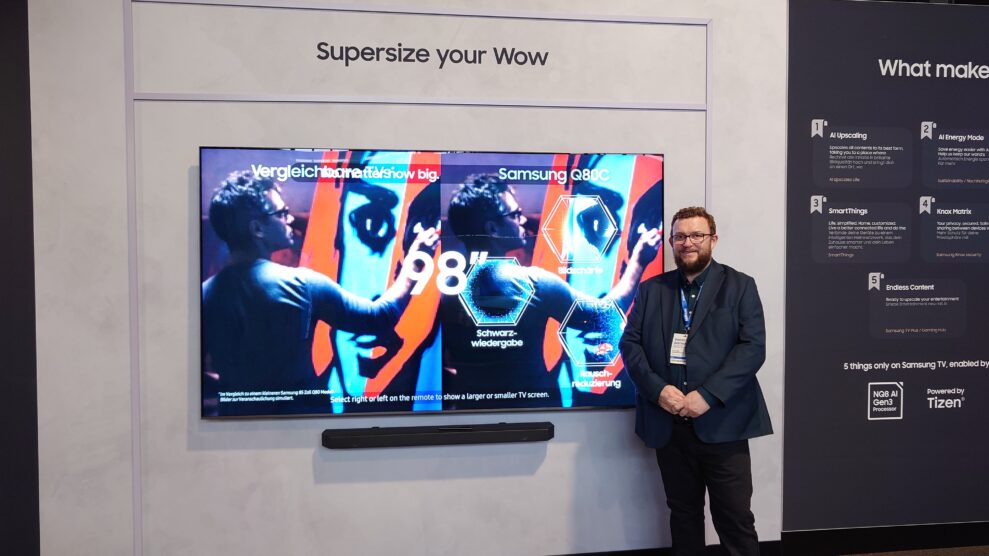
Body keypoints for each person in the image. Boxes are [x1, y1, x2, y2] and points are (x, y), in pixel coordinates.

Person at [201, 170, 437, 416]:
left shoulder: (204, 295)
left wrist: (232, 386)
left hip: (236, 424)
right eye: (281, 213)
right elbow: (378, 317)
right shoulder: (302, 285)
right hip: (302, 424)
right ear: (257, 228)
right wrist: (414, 264)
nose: (289, 218)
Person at [619, 206, 772, 556]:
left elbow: (752, 349)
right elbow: (629, 344)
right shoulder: (652, 290)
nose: (688, 243)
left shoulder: (740, 286)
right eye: (680, 236)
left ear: (713, 240)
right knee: (683, 515)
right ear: (672, 242)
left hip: (723, 423)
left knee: (734, 518)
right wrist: (658, 391)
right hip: (669, 425)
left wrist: (708, 395)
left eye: (696, 235)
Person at [441, 174, 661, 408]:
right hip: (532, 413)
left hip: (471, 411)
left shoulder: (448, 290)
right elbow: (602, 315)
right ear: (493, 229)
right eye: (514, 214)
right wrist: (638, 262)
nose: (522, 219)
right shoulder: (533, 283)